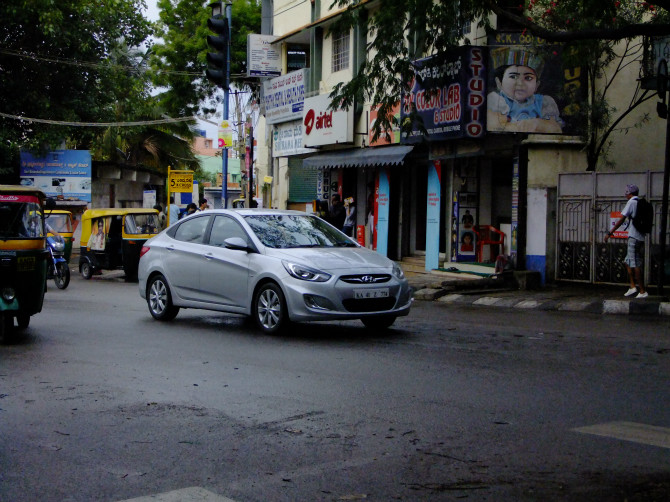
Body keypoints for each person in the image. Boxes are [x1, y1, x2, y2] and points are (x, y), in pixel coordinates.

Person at [487, 47, 563, 134]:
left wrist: (536, 123)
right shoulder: (496, 101)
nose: (520, 83)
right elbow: (495, 127)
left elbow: (555, 130)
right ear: (499, 83)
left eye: (528, 78)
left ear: (536, 85)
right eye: (513, 77)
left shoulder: (543, 102)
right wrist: (530, 125)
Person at [604, 184, 647, 298]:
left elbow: (621, 219)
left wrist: (610, 232)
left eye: (626, 193)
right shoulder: (639, 202)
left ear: (630, 193)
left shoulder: (632, 202)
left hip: (634, 237)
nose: (625, 195)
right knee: (627, 261)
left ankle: (642, 291)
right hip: (639, 237)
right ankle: (633, 287)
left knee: (635, 263)